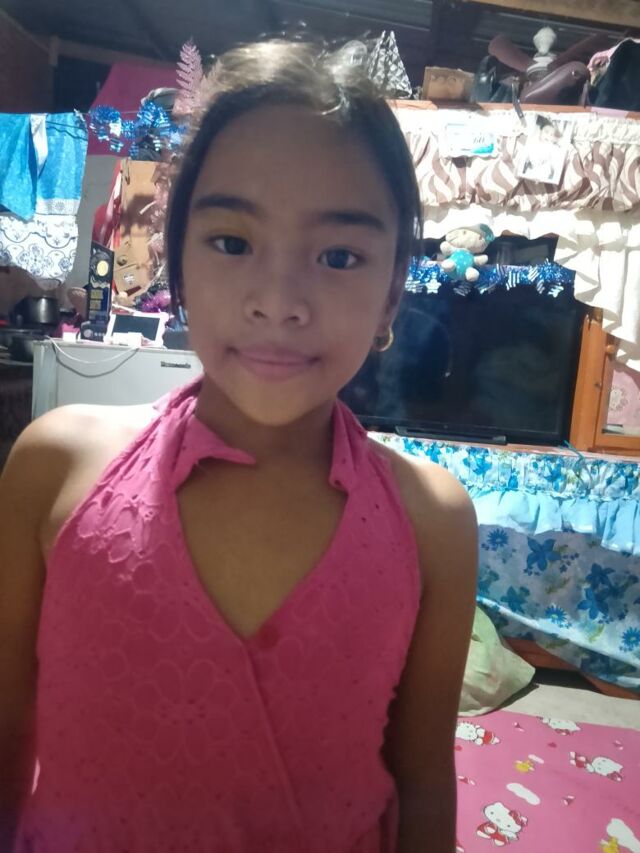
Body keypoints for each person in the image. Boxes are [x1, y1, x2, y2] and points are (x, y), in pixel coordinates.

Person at [0, 39, 477, 853]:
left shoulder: (431, 523)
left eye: (338, 256)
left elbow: (424, 779)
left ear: (393, 291)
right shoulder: (57, 468)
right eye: (232, 241)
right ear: (179, 261)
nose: (278, 301)